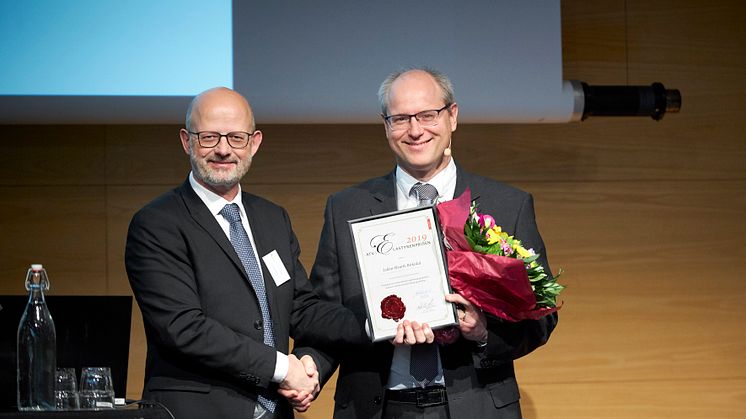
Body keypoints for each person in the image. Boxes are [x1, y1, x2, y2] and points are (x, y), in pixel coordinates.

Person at [305, 68, 558, 418]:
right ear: (386, 126)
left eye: (427, 115)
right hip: (377, 407)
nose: (415, 129)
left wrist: (483, 332)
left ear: (452, 117)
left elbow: (541, 316)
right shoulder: (345, 208)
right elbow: (320, 311)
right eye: (400, 118)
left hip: (477, 405)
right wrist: (370, 327)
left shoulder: (506, 205)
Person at [125, 87, 369, 419]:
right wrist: (283, 368)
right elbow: (184, 327)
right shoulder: (157, 224)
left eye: (236, 138)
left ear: (254, 143)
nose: (223, 150)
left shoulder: (272, 218)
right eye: (209, 137)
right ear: (186, 141)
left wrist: (376, 323)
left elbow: (302, 309)